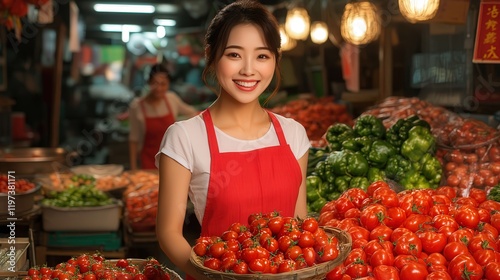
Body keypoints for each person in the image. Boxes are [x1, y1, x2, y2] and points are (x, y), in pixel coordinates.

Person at [155, 0, 310, 278]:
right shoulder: (185, 137)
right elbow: (168, 232)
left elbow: (298, 222)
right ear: (212, 56)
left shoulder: (293, 134)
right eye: (234, 55)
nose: (248, 70)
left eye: (262, 56)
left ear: (275, 59)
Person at [128, 63, 199, 170]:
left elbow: (193, 113)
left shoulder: (171, 99)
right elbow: (133, 140)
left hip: (172, 158)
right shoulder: (136, 106)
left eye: (163, 84)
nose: (159, 88)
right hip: (148, 160)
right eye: (154, 83)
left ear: (168, 84)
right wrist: (133, 168)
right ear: (148, 83)